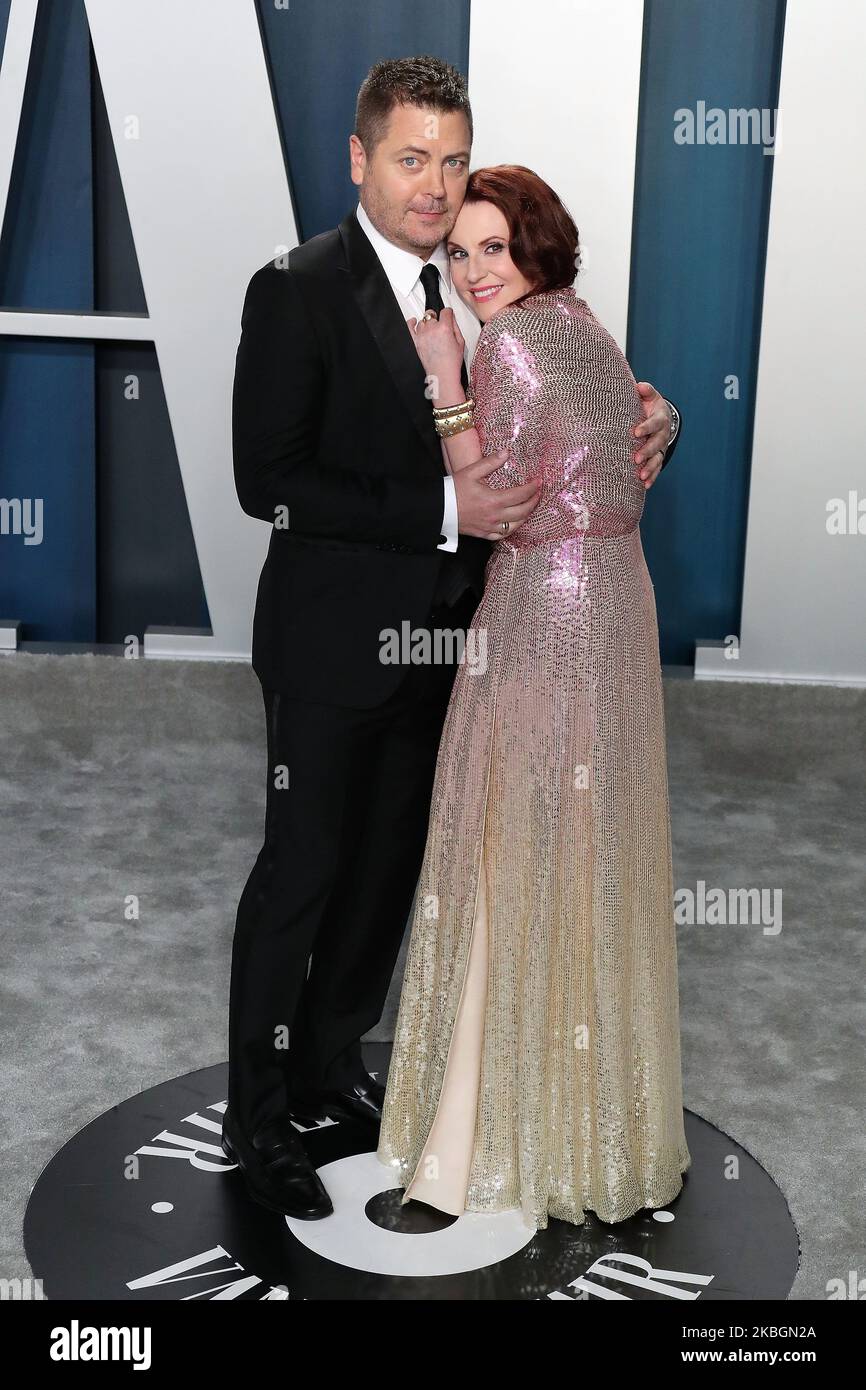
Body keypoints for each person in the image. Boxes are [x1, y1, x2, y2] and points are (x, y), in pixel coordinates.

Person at [224, 56, 683, 1220]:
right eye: (409, 158)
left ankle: (333, 1067)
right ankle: (262, 1118)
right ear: (358, 160)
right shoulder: (297, 288)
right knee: (305, 874)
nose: (434, 186)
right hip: (332, 644)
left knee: (390, 875)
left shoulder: (482, 284)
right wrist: (442, 512)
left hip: (459, 647)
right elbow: (265, 478)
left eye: (450, 159)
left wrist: (646, 408)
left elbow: (554, 398)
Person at [376, 165, 692, 1231]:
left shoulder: (504, 340)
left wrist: (443, 379)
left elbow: (496, 501)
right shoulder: (585, 325)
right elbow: (622, 442)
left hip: (542, 614)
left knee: (508, 849)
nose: (470, 273)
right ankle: (595, 1126)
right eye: (457, 254)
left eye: (491, 251)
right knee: (587, 853)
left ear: (535, 249)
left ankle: (479, 1136)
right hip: (615, 607)